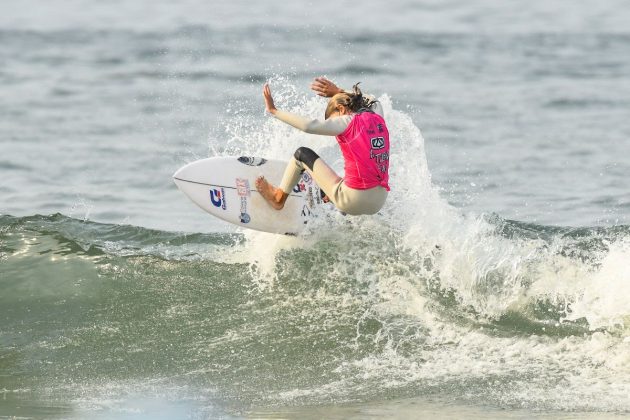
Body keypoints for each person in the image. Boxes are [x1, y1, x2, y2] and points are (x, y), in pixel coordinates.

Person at [256, 77, 390, 216]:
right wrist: (339, 91)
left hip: (352, 199)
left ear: (341, 109)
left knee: (302, 154)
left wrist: (274, 111)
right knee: (346, 179)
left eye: (332, 121)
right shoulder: (378, 116)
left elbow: (309, 126)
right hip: (378, 202)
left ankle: (277, 198)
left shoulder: (347, 121)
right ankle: (335, 204)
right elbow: (372, 99)